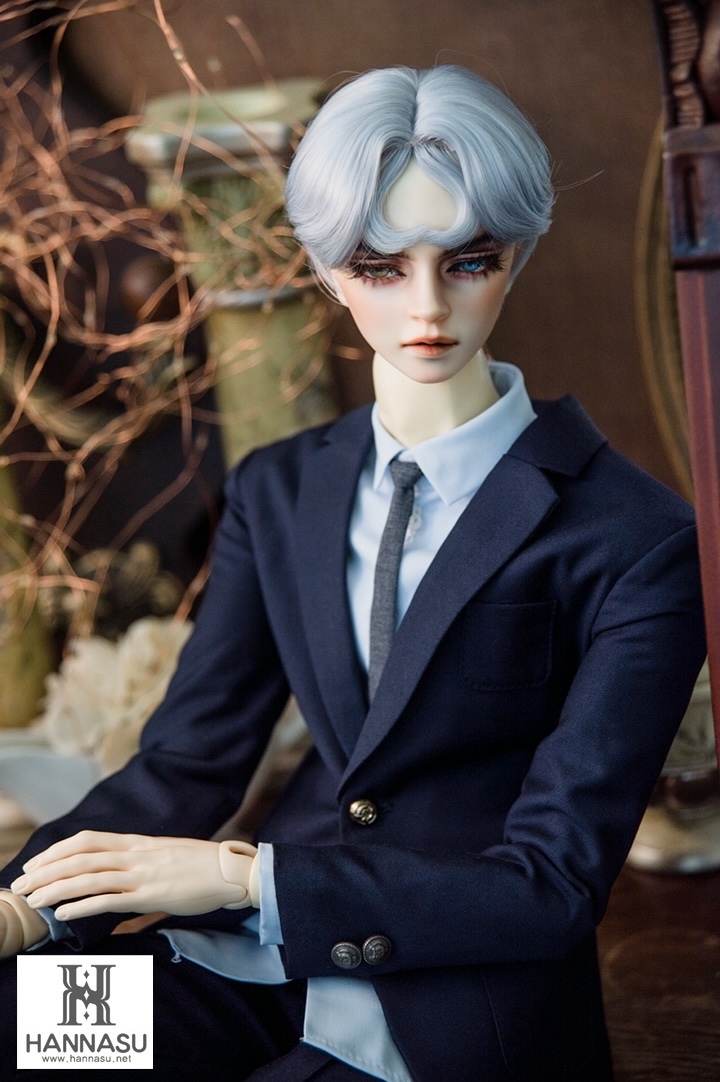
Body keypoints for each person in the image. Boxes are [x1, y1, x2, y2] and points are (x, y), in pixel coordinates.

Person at [0, 65, 706, 1081]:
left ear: (516, 254)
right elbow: (187, 763)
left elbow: (551, 883)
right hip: (243, 971)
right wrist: (24, 901)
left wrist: (247, 878)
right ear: (329, 270)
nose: (428, 306)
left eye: (468, 261)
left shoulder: (637, 535)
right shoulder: (280, 489)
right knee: (22, 1029)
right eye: (381, 267)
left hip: (448, 1008)